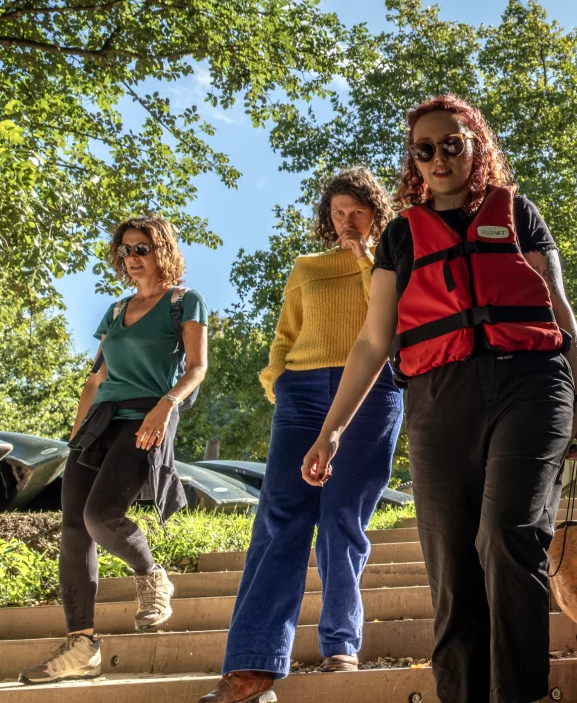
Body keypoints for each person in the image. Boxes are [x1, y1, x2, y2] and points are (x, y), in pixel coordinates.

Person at [301, 95, 577, 703]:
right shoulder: (403, 236)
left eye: (451, 144)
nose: (438, 158)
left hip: (531, 381)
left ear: (475, 145)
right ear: (414, 160)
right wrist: (330, 431)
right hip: (439, 398)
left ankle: (521, 694)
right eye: (424, 149)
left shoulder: (520, 214)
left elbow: (560, 312)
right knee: (452, 560)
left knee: (508, 533)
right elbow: (374, 341)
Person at [200, 169, 406, 703]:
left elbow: (389, 326)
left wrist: (367, 261)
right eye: (338, 212)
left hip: (372, 388)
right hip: (303, 389)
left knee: (342, 517)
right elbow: (286, 330)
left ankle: (341, 643)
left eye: (356, 211)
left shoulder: (393, 260)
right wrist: (278, 379)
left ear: (375, 211)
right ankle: (252, 667)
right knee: (279, 517)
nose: (346, 221)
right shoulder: (306, 267)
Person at [22, 216, 207, 684]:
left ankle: (152, 576)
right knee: (72, 525)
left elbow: (197, 369)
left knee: (101, 515)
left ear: (162, 249)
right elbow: (96, 378)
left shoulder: (184, 302)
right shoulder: (116, 309)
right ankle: (81, 644)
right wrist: (76, 432)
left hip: (146, 416)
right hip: (101, 421)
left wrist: (165, 407)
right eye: (124, 250)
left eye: (141, 248)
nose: (132, 258)